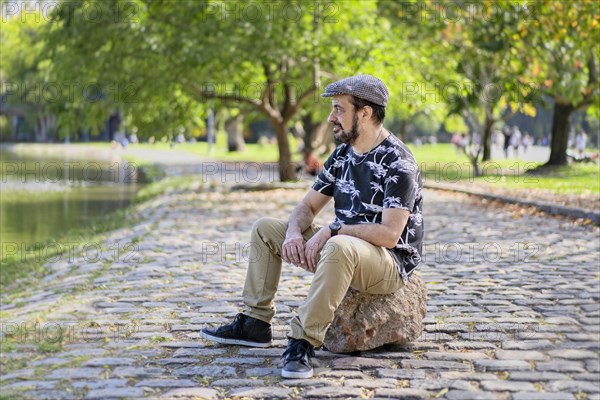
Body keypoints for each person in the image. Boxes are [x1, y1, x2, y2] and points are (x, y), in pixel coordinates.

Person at [200, 75, 424, 379]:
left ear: (365, 113)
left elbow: (389, 234)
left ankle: (303, 340)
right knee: (267, 229)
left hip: (387, 264)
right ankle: (256, 322)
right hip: (343, 251)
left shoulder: (398, 162)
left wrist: (332, 231)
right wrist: (293, 233)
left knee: (338, 245)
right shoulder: (343, 154)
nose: (331, 117)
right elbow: (307, 207)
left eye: (338, 109)